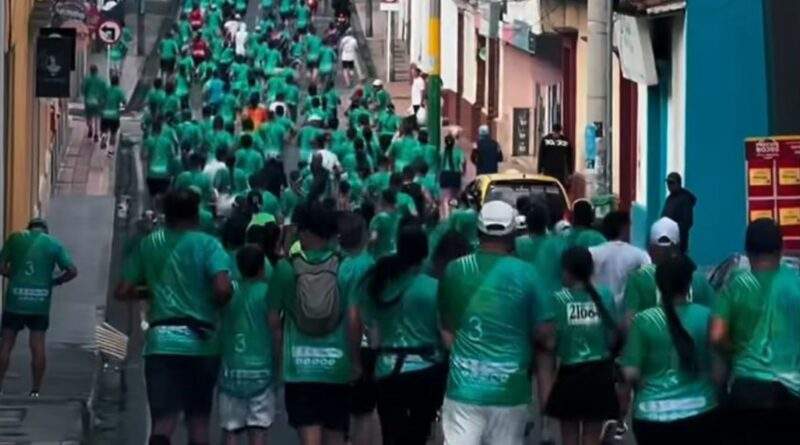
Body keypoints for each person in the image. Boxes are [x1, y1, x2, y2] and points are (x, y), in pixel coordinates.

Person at [116, 188, 233, 445]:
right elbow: (223, 288)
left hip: (161, 343)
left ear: (165, 215)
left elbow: (123, 290)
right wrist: (211, 303)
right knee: (198, 422)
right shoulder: (209, 245)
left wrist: (152, 290)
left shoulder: (150, 243)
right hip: (202, 344)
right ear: (196, 214)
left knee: (163, 423)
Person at [438, 200, 555, 445]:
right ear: (513, 233)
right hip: (510, 394)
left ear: (479, 232)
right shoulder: (528, 274)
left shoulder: (454, 270)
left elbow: (447, 331)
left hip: (463, 391)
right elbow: (547, 335)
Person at [267, 202, 362, 445]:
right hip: (336, 367)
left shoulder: (286, 269)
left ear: (306, 232)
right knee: (336, 433)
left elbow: (274, 322)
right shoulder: (346, 266)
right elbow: (353, 319)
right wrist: (354, 361)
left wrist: (279, 364)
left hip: (299, 369)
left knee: (309, 435)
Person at [711, 218, 800, 444]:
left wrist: (734, 351)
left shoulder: (736, 284)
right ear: (781, 250)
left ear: (748, 252)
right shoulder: (796, 282)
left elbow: (717, 335)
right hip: (792, 392)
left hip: (748, 391)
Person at [362, 224, 446, 445]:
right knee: (419, 432)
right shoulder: (434, 287)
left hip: (387, 369)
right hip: (427, 370)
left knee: (391, 434)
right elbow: (443, 330)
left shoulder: (380, 284)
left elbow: (373, 334)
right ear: (425, 252)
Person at [622, 254, 719, 444]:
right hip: (701, 411)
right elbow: (718, 371)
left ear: (659, 285)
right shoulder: (706, 316)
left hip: (651, 417)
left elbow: (630, 372)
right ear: (689, 284)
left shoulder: (643, 320)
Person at [546, 247, 620, 445]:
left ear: (568, 271)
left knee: (569, 437)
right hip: (600, 375)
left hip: (570, 375)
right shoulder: (605, 295)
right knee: (592, 438)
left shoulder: (559, 299)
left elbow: (553, 341)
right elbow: (612, 337)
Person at [0, 219, 77, 397]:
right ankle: (35, 391)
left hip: (15, 300)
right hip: (40, 302)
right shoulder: (54, 244)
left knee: (6, 344)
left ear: (29, 228)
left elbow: (1, 266)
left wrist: (13, 275)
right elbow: (72, 271)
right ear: (45, 231)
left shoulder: (15, 238)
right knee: (37, 345)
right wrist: (55, 282)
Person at [218, 245, 277, 445]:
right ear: (262, 268)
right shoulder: (268, 293)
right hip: (262, 371)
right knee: (258, 428)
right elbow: (275, 330)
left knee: (231, 428)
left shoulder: (229, 292)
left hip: (231, 370)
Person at [623, 217, 715, 327]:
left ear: (650, 249)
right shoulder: (698, 279)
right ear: (677, 247)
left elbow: (629, 322)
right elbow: (715, 320)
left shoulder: (638, 278)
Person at [589, 211, 651, 305]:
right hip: (627, 311)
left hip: (597, 308)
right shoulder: (639, 255)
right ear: (624, 228)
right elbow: (648, 281)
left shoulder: (591, 252)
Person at [661, 172, 696, 253]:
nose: (669, 185)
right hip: (666, 239)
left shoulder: (685, 199)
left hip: (677, 242)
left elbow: (687, 222)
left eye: (672, 183)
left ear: (678, 184)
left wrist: (673, 231)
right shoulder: (670, 198)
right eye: (668, 183)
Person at [439, 134, 465, 218]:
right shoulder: (459, 151)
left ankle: (446, 216)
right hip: (455, 175)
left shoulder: (442, 153)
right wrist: (463, 171)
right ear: (453, 143)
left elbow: (439, 163)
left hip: (444, 174)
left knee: (445, 197)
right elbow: (463, 162)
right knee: (454, 196)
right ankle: (453, 214)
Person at [100, 74, 126, 152]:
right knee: (113, 133)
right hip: (115, 115)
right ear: (118, 82)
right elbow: (123, 102)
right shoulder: (120, 91)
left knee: (104, 129)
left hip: (105, 114)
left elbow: (101, 100)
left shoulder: (106, 90)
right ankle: (110, 151)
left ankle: (104, 136)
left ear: (111, 81)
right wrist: (121, 109)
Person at [82, 65, 107, 143]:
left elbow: (83, 90)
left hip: (89, 101)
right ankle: (96, 133)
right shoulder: (102, 80)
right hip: (98, 101)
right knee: (97, 117)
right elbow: (105, 91)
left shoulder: (87, 80)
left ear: (90, 71)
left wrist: (86, 95)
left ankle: (90, 128)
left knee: (89, 116)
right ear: (97, 71)